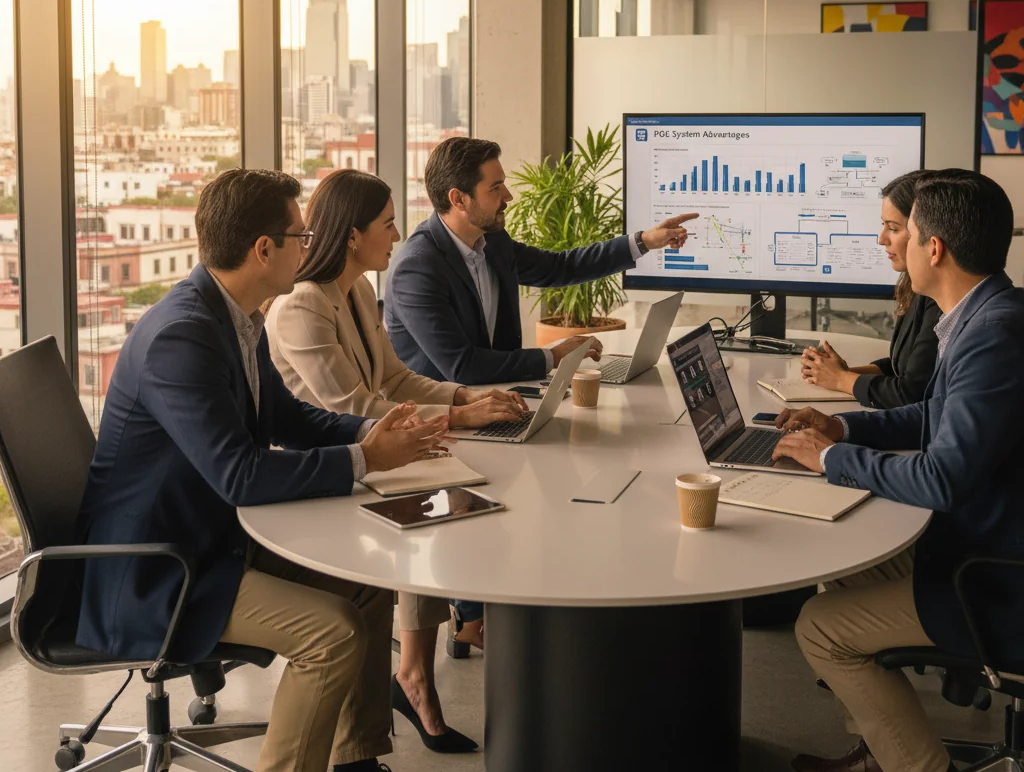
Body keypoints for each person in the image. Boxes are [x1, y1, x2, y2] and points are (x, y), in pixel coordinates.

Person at [74, 168, 450, 772]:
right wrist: (365, 459)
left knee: (369, 578)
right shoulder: (182, 337)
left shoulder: (236, 317)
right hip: (158, 569)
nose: (310, 244)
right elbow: (241, 476)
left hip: (213, 536)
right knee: (332, 634)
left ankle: (355, 758)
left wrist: (371, 434)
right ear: (264, 250)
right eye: (301, 235)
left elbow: (287, 419)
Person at [767, 169, 1024, 772]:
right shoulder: (988, 313)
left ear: (933, 248)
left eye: (902, 233)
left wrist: (832, 460)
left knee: (819, 628)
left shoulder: (992, 336)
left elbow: (942, 478)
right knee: (842, 565)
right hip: (984, 540)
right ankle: (879, 750)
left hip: (997, 575)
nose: (893, 245)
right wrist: (843, 428)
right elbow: (934, 413)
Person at [267, 168, 528, 753]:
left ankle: (423, 666)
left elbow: (395, 379)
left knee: (461, 497)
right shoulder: (300, 306)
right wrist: (459, 418)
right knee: (437, 509)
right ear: (353, 235)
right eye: (387, 225)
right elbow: (355, 408)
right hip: (332, 469)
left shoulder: (357, 290)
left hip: (374, 455)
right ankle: (419, 673)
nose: (398, 235)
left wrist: (466, 397)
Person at [386, 136, 698, 385]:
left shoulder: (491, 241)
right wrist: (554, 355)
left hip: (498, 397)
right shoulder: (417, 269)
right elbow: (463, 366)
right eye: (495, 188)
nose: (508, 196)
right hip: (443, 423)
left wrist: (644, 241)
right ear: (458, 199)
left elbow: (560, 267)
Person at [800, 169, 940, 408]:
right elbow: (903, 367)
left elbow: (911, 391)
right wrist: (841, 373)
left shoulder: (939, 298)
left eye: (893, 228)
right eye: (883, 226)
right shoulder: (913, 285)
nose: (881, 238)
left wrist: (842, 379)